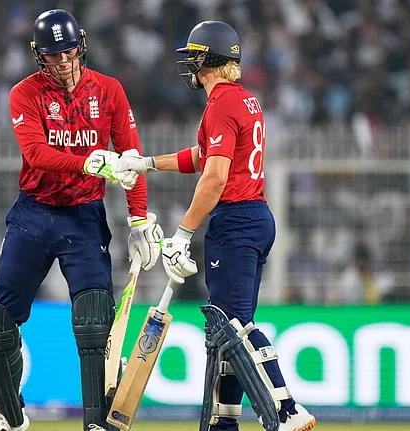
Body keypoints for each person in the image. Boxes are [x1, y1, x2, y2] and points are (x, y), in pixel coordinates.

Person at [114, 21, 316, 431]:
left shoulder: (220, 105)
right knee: (225, 336)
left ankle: (287, 408)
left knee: (235, 328)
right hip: (255, 217)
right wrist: (148, 162)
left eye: (193, 54)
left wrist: (183, 233)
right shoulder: (244, 101)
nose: (188, 62)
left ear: (205, 58)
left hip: (236, 220)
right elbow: (202, 156)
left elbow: (215, 177)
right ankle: (224, 424)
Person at [0, 9, 163, 431]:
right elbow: (36, 153)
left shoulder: (109, 90)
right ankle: (9, 415)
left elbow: (130, 160)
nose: (63, 61)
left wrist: (137, 220)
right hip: (34, 212)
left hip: (83, 217)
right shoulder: (24, 93)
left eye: (69, 51)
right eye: (53, 54)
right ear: (38, 54)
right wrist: (91, 164)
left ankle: (97, 423)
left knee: (96, 323)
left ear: (82, 45)